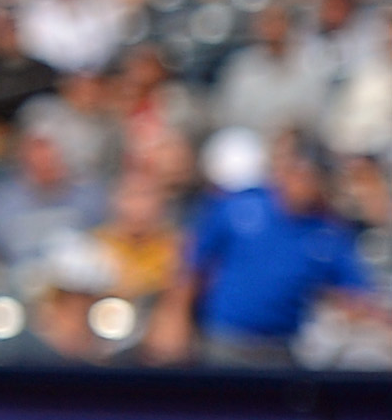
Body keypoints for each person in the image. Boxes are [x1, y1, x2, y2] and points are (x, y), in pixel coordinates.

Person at [157, 133, 387, 366]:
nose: (301, 181)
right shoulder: (241, 206)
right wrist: (174, 316)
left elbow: (356, 293)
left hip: (281, 350)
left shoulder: (328, 233)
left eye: (311, 175)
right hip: (224, 341)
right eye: (296, 171)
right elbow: (193, 262)